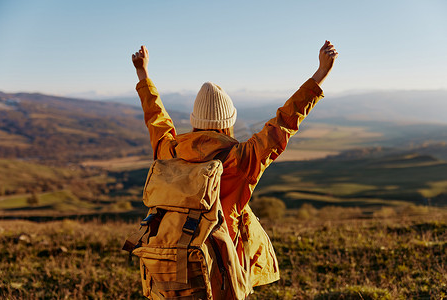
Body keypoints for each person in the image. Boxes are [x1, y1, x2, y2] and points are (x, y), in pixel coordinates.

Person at [132, 41, 338, 289]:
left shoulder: (169, 150)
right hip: (223, 262)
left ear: (194, 120)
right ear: (229, 121)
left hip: (173, 262)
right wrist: (320, 75)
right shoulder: (241, 157)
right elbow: (283, 123)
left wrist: (143, 74)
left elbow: (156, 118)